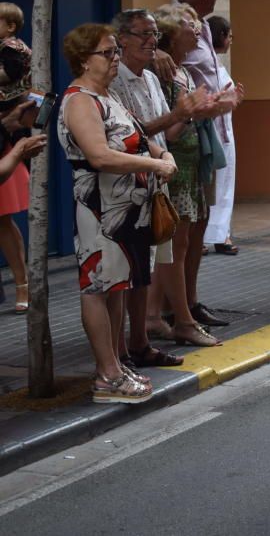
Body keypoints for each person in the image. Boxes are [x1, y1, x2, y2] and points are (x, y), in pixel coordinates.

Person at [57, 23, 177, 403]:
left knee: (117, 287)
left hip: (126, 210)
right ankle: (106, 375)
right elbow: (99, 155)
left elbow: (139, 138)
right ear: (83, 59)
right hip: (101, 210)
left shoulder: (107, 96)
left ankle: (116, 362)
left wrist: (161, 155)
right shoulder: (79, 100)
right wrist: (155, 166)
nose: (114, 59)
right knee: (97, 287)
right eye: (107, 53)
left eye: (114, 52)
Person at [108, 8, 206, 360]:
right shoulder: (113, 82)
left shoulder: (150, 78)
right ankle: (122, 350)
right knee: (127, 271)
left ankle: (141, 340)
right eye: (144, 35)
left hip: (157, 183)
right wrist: (177, 115)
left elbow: (166, 133)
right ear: (122, 40)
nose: (153, 41)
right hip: (127, 187)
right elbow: (130, 136)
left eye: (154, 34)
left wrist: (193, 112)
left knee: (148, 268)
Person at [149, 3, 232, 347]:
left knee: (174, 247)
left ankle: (157, 315)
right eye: (189, 24)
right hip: (175, 167)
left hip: (187, 163)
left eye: (197, 23)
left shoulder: (180, 70)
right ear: (171, 32)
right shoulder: (165, 70)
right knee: (174, 247)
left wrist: (209, 108)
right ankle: (180, 318)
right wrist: (193, 111)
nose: (197, 29)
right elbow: (169, 128)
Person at [175, 0, 243, 327]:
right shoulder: (182, 27)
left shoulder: (202, 27)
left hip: (210, 134)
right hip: (190, 135)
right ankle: (178, 307)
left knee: (199, 222)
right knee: (184, 231)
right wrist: (215, 102)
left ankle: (190, 300)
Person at [0, 2, 37, 311]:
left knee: (3, 219)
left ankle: (23, 286)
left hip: (6, 136)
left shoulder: (13, 49)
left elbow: (9, 75)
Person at [204, 15, 238, 255]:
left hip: (224, 130)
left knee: (224, 183)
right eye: (230, 36)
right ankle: (210, 234)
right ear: (222, 36)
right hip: (213, 129)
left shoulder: (218, 65)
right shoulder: (205, 64)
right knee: (213, 184)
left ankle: (220, 232)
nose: (231, 41)